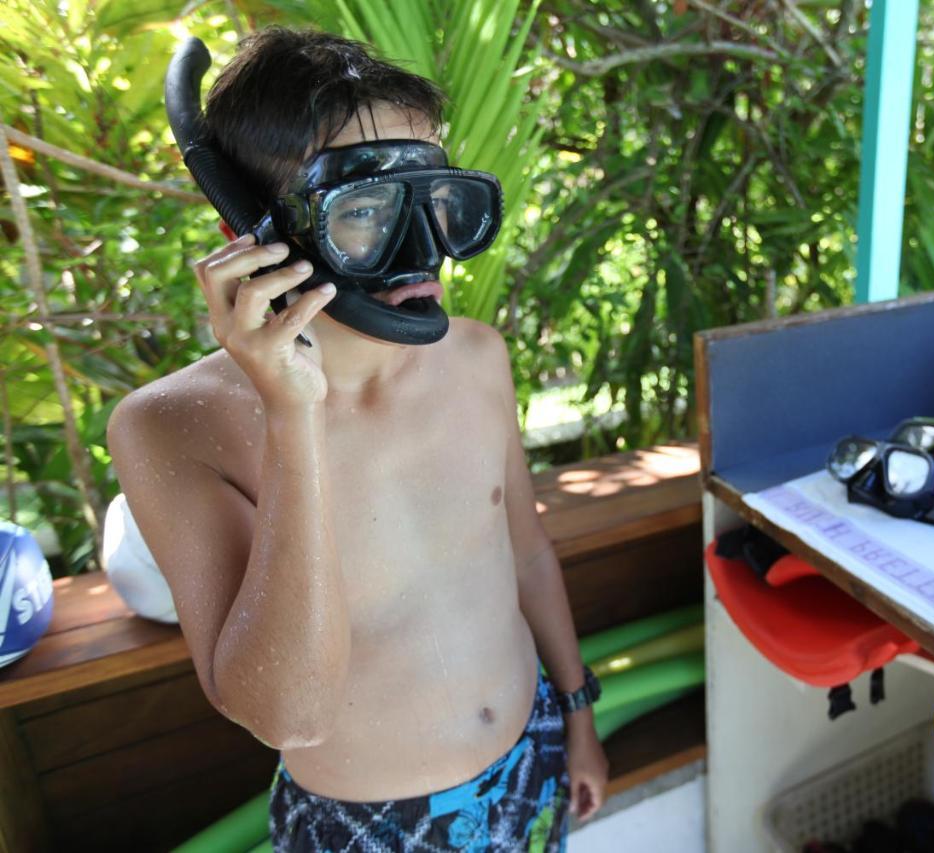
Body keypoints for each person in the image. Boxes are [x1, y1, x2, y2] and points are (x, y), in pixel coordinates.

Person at [107, 27, 607, 852]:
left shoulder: (478, 358)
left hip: (535, 754)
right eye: (367, 211)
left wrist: (578, 714)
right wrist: (292, 415)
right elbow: (286, 714)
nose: (425, 250)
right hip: (369, 826)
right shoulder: (171, 429)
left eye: (438, 202)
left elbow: (526, 556)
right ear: (256, 233)